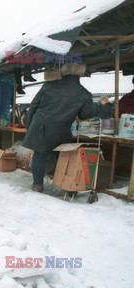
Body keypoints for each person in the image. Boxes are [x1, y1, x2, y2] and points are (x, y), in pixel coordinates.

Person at [22, 63, 96, 193]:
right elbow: (85, 115)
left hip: (40, 125)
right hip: (61, 129)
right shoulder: (84, 94)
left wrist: (29, 125)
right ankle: (64, 183)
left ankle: (37, 185)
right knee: (62, 156)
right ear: (80, 75)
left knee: (39, 154)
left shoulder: (48, 86)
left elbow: (33, 106)